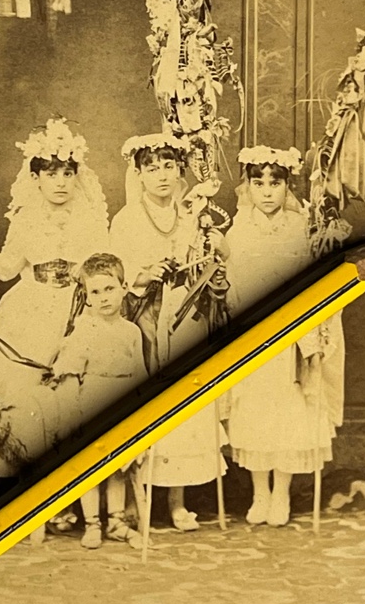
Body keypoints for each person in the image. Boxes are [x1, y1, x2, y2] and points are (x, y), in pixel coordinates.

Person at [109, 134, 227, 532]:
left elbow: (212, 258)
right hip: (143, 314)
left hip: (182, 312)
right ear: (139, 175)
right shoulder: (126, 220)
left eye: (169, 167)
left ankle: (177, 501)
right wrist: (145, 274)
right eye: (152, 168)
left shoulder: (194, 215)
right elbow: (117, 273)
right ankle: (135, 500)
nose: (161, 175)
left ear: (180, 172)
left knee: (182, 398)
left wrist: (206, 256)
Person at [222, 145, 343, 527]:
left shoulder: (303, 227)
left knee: (290, 410)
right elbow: (233, 284)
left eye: (276, 183)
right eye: (259, 183)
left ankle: (282, 494)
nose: (268, 191)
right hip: (255, 330)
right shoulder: (238, 229)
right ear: (248, 187)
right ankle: (260, 492)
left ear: (287, 186)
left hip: (292, 334)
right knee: (256, 409)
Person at [0, 117, 109, 466]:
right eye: (51, 174)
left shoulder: (90, 218)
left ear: (77, 176)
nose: (60, 182)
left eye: (67, 173)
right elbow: (7, 268)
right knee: (25, 390)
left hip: (76, 306)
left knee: (74, 391)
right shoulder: (25, 218)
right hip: (31, 307)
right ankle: (24, 471)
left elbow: (102, 263)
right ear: (36, 178)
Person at [48, 254, 149, 550]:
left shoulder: (132, 332)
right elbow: (70, 370)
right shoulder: (84, 330)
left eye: (109, 289)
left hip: (122, 402)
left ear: (124, 287)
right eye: (95, 292)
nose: (103, 298)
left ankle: (117, 522)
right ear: (86, 297)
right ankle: (92, 522)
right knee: (91, 466)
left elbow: (140, 373)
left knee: (118, 466)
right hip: (92, 401)